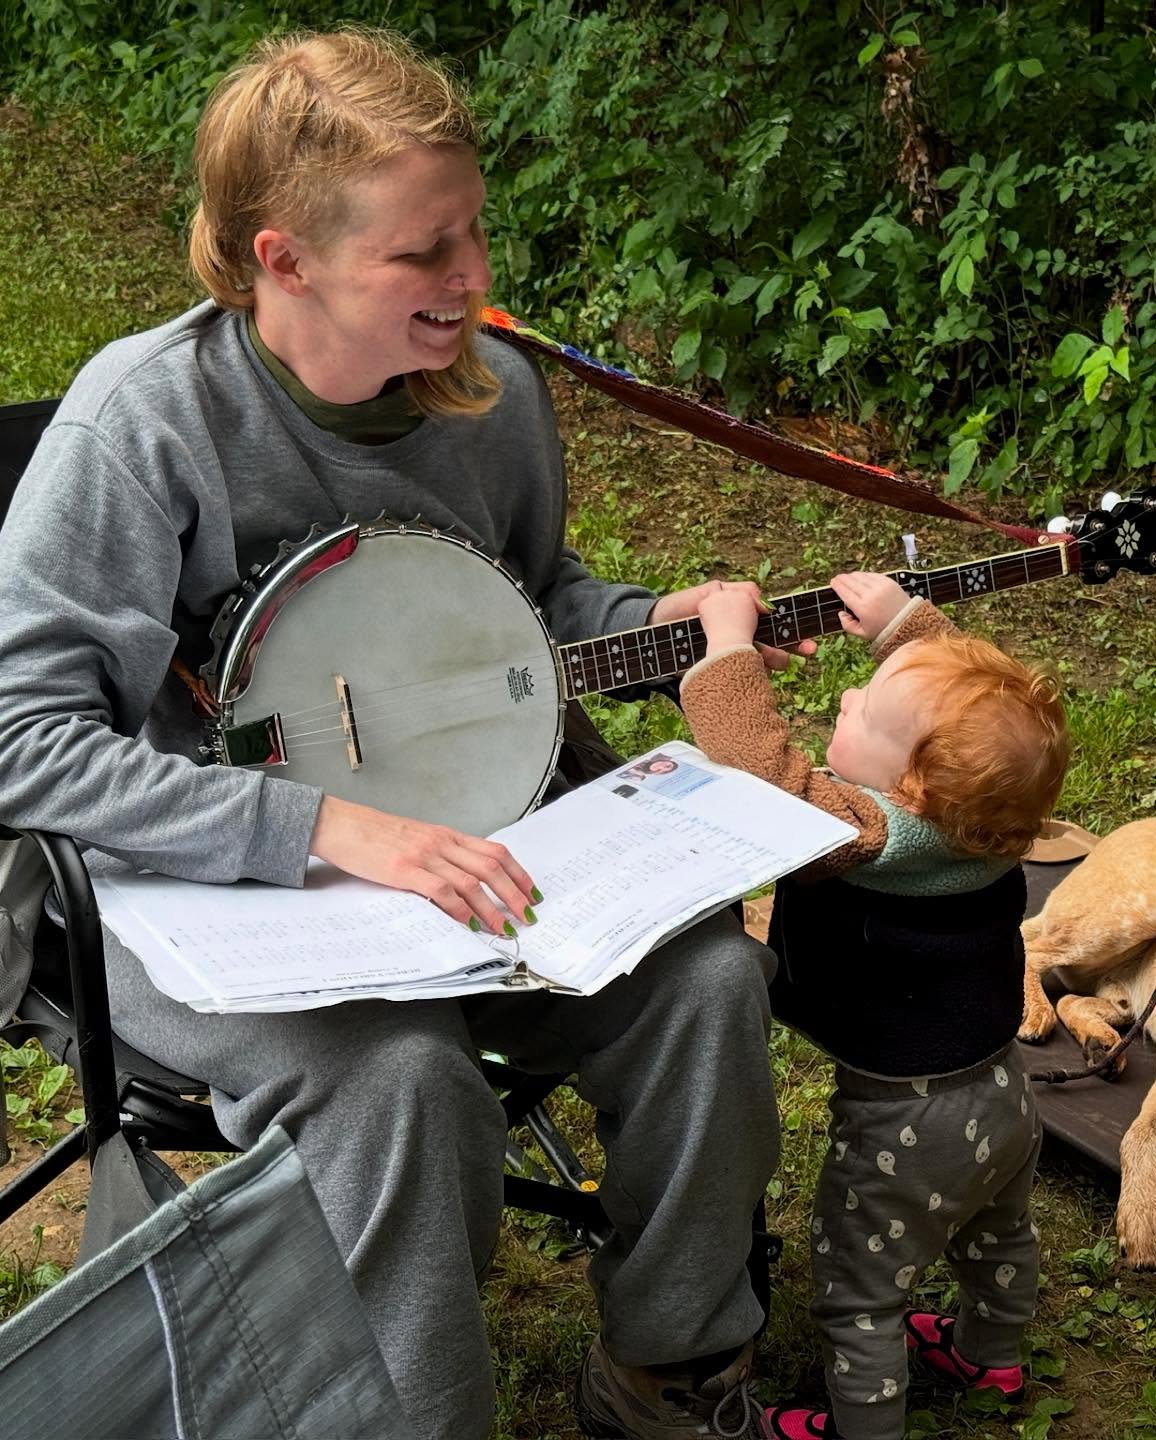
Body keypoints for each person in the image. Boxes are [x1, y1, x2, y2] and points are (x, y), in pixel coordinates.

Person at [0, 29, 812, 1440]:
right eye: (425, 254)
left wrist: (667, 616)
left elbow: (530, 604)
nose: (475, 279)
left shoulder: (488, 401)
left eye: (475, 233)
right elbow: (23, 739)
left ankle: (669, 1374)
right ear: (286, 259)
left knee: (706, 987)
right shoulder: (150, 423)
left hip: (472, 849)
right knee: (404, 1080)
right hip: (200, 897)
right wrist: (321, 830)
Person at [680, 572, 1072, 1440]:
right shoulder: (992, 819)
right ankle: (991, 1354)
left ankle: (864, 1426)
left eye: (860, 714)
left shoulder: (867, 834)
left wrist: (731, 651)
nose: (848, 696)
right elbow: (974, 720)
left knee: (861, 1287)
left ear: (915, 788)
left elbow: (764, 775)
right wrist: (905, 626)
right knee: (998, 1235)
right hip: (1004, 1090)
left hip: (906, 1126)